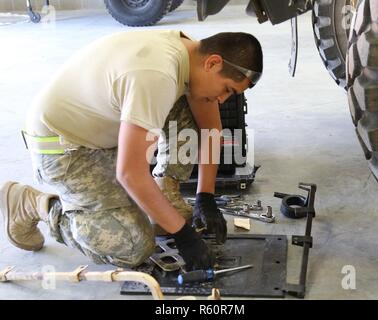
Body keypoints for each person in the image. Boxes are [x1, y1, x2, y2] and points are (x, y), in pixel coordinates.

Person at [0, 30, 263, 270]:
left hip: (105, 130)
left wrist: (206, 196)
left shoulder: (190, 53)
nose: (223, 99)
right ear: (213, 62)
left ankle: (163, 192)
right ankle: (34, 205)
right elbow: (130, 173)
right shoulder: (158, 75)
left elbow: (210, 130)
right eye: (227, 89)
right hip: (65, 149)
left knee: (190, 110)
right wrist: (183, 235)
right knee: (133, 246)